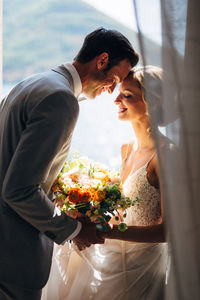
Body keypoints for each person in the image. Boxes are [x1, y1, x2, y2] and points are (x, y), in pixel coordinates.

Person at [0, 27, 139, 300]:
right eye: (114, 79)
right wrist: (74, 229)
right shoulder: (61, 99)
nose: (112, 90)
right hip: (14, 252)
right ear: (101, 60)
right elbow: (19, 189)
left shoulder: (33, 83)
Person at [54, 66, 168, 300]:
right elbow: (124, 210)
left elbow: (166, 231)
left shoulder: (167, 155)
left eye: (127, 95)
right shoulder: (127, 149)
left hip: (143, 266)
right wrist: (89, 214)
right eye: (119, 92)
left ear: (153, 103)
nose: (116, 99)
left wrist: (106, 232)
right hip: (114, 255)